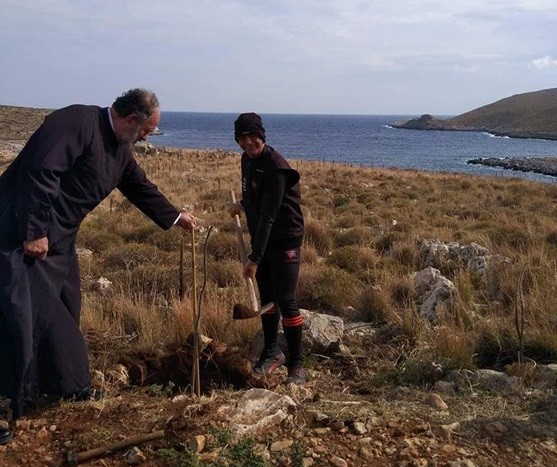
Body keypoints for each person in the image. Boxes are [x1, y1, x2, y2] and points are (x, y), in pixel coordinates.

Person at [0, 89, 196, 437]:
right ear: (131, 119)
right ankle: (5, 404)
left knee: (64, 309)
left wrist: (176, 216)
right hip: (17, 234)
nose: (147, 137)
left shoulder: (121, 148)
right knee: (17, 318)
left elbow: (139, 187)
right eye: (147, 131)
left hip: (56, 241)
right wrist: (34, 231)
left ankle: (60, 386)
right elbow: (39, 172)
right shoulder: (75, 122)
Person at [228, 113, 306, 385]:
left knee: (285, 299)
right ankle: (272, 351)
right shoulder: (247, 161)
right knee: (267, 299)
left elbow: (270, 215)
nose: (247, 143)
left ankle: (296, 364)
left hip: (285, 239)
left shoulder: (276, 167)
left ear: (262, 136)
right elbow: (254, 199)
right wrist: (242, 206)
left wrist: (254, 257)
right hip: (263, 237)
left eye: (252, 137)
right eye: (242, 138)